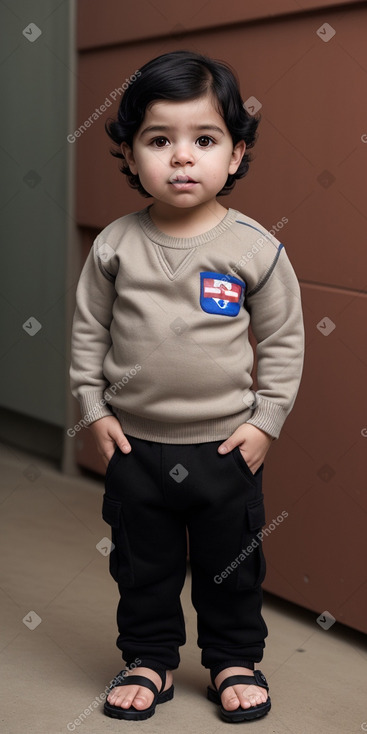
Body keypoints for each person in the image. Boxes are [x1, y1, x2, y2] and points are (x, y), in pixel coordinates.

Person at [69, 49, 304, 724]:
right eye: (158, 140)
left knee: (231, 562)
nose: (180, 157)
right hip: (135, 445)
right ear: (130, 154)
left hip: (226, 447)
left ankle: (234, 658)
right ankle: (148, 655)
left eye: (203, 140)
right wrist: (92, 410)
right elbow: (88, 334)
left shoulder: (254, 248)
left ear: (234, 156)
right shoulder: (115, 246)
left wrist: (265, 422)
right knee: (143, 563)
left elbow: (285, 341)